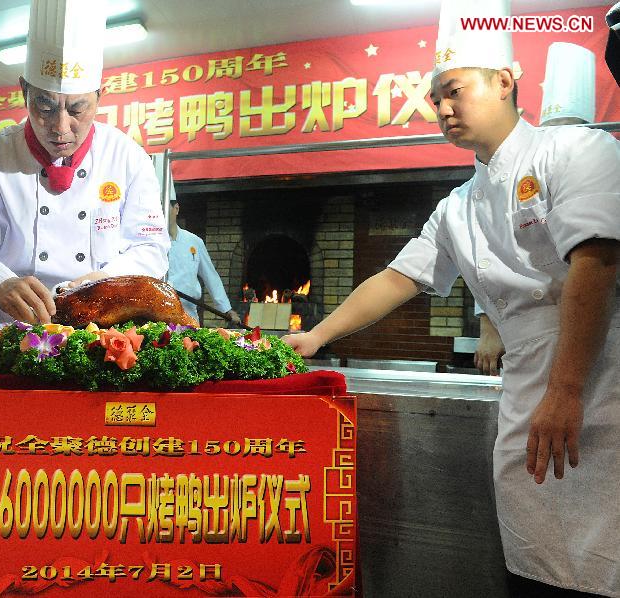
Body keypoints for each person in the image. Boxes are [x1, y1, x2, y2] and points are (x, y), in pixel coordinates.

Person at [284, 0, 620, 595]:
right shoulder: (458, 206)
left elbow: (596, 264)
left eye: (454, 90)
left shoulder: (578, 153)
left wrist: (566, 388)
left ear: (505, 82)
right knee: (535, 565)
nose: (441, 107)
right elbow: (395, 278)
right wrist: (316, 337)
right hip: (525, 397)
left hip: (598, 384)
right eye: (435, 95)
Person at [0, 0, 169, 325]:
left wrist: (103, 284)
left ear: (100, 95)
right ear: (24, 91)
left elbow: (149, 245)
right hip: (10, 328)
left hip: (99, 329)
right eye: (44, 107)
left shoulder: (128, 158)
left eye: (77, 109)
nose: (60, 127)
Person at [475, 41, 597, 376]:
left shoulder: (601, 167)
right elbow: (492, 254)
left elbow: (597, 267)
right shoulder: (521, 176)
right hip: (531, 343)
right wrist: (489, 327)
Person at [167, 197, 241, 326]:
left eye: (164, 207)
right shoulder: (152, 243)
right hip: (159, 313)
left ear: (176, 209)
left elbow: (210, 276)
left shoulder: (194, 241)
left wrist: (226, 309)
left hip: (188, 314)